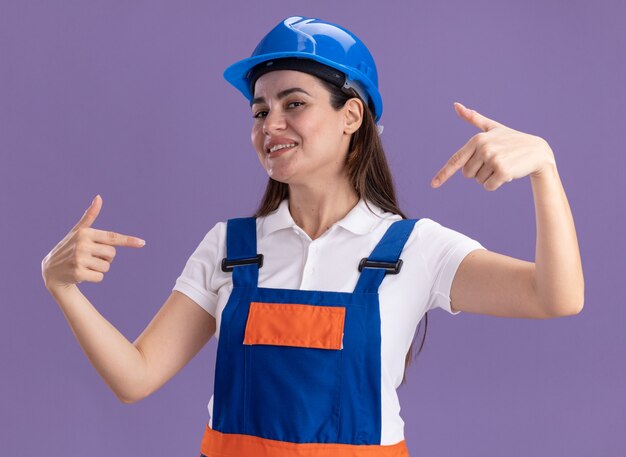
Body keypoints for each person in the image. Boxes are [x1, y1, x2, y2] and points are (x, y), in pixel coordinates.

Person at [41, 15, 584, 457]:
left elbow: (554, 297)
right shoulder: (230, 249)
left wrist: (545, 171)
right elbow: (135, 377)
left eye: (293, 103)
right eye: (260, 110)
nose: (269, 124)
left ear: (351, 115)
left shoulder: (415, 249)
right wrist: (62, 287)